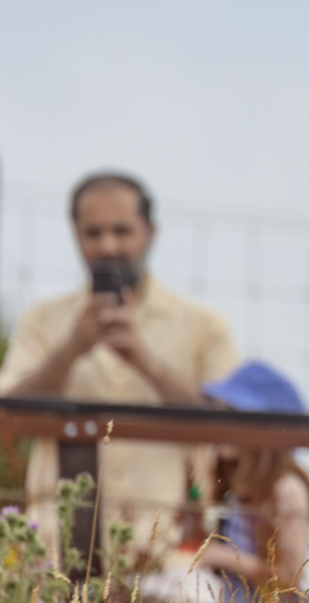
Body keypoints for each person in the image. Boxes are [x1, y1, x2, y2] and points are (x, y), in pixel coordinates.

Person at [0, 171, 240, 568]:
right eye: (93, 233)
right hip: (54, 548)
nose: (107, 245)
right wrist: (71, 349)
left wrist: (142, 359)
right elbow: (8, 411)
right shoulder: (43, 319)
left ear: (150, 232)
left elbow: (234, 424)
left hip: (171, 552)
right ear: (76, 235)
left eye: (121, 231)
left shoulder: (203, 324)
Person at [197, 361, 309, 603]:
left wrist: (225, 558)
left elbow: (288, 578)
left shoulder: (286, 490)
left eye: (232, 414)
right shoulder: (233, 488)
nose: (219, 424)